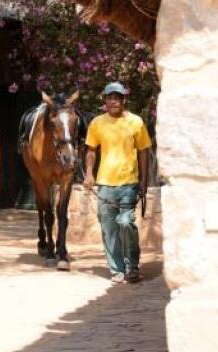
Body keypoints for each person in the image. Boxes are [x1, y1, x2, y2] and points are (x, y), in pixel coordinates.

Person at [83, 82, 151, 284]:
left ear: (124, 100)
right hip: (104, 185)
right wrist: (89, 174)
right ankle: (117, 270)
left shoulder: (136, 122)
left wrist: (144, 182)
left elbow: (144, 153)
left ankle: (133, 266)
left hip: (128, 184)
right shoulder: (97, 123)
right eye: (110, 97)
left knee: (125, 223)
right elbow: (91, 150)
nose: (114, 101)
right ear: (105, 100)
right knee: (109, 229)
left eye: (118, 97)